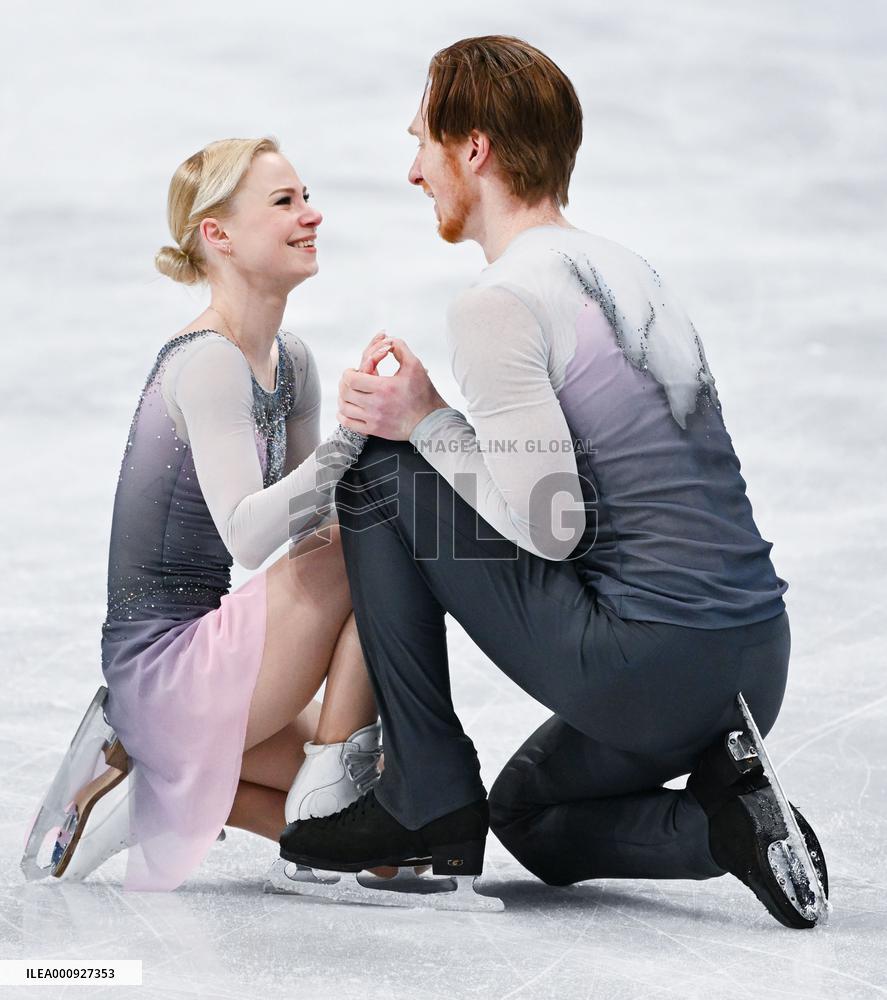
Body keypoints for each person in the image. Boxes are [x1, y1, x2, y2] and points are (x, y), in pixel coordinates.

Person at [279, 36, 828, 927]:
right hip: (752, 664)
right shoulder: (631, 271)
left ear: (474, 148)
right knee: (526, 815)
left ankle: (422, 793)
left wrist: (424, 420)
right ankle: (727, 825)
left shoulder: (500, 300)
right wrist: (439, 422)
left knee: (381, 473)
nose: (413, 171)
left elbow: (550, 526)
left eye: (422, 143)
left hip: (648, 665)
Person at [27, 137, 395, 891]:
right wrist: (350, 443)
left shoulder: (290, 362)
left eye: (307, 197)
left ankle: (154, 793)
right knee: (371, 536)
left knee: (390, 833)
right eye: (284, 202)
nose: (311, 215)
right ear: (217, 234)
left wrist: (383, 442)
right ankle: (318, 788)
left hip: (212, 658)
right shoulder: (207, 360)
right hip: (163, 675)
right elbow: (251, 534)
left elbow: (305, 524)